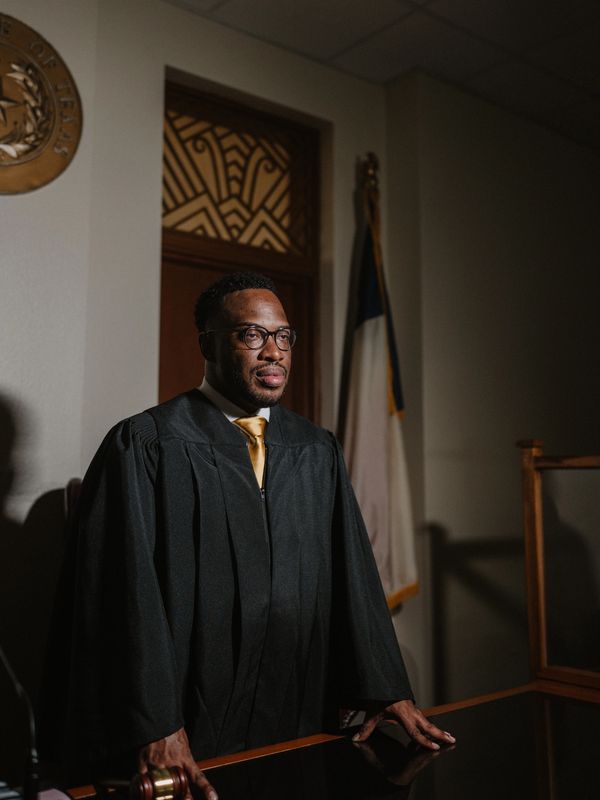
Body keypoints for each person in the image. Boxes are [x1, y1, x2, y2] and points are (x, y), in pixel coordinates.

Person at [45, 272, 454, 799]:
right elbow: (120, 595)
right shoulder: (147, 443)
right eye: (251, 335)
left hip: (295, 710)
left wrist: (384, 685)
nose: (273, 353)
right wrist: (156, 723)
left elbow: (353, 571)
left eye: (283, 336)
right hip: (189, 721)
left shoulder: (314, 449)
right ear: (208, 345)